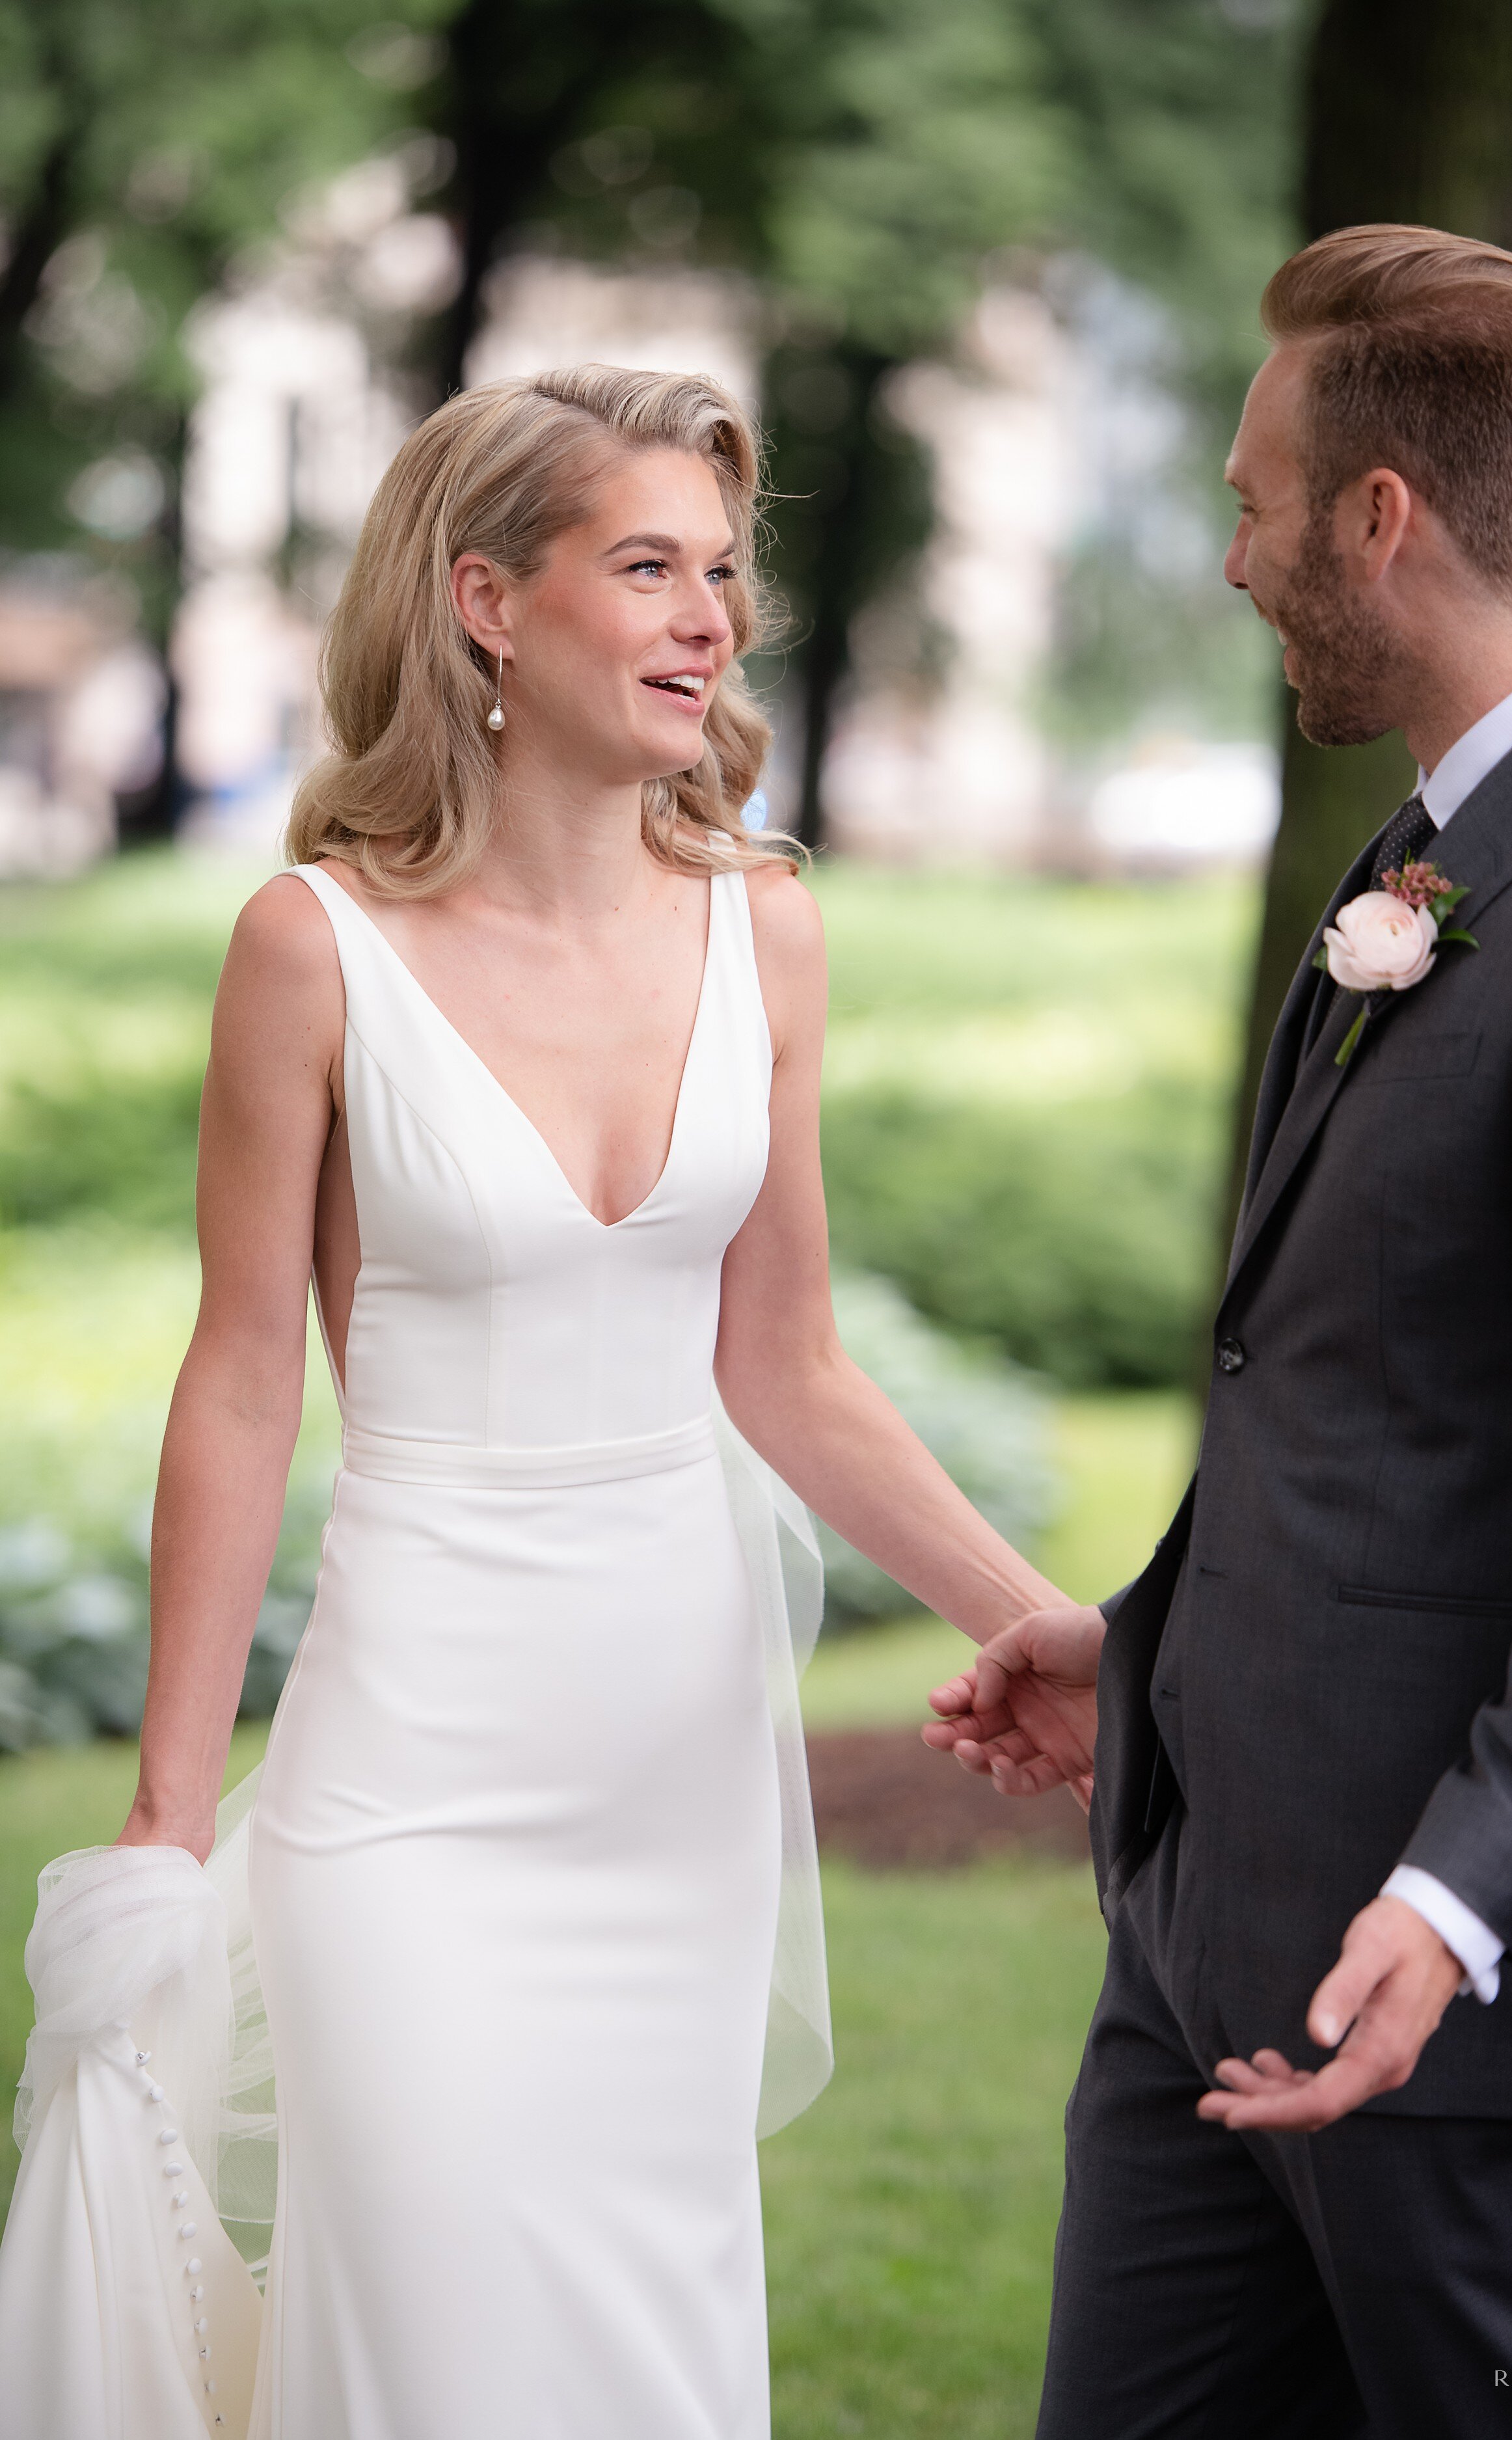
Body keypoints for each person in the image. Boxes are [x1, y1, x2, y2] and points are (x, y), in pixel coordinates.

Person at [0, 365, 1092, 2440]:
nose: (709, 619)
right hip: (410, 1760)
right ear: (489, 602)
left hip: (670, 1767)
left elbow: (786, 1362)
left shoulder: (765, 932)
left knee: (633, 2345)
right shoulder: (308, 949)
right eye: (649, 568)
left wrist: (1033, 1615)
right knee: (425, 2324)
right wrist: (160, 1811)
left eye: (723, 575)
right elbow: (240, 1385)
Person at [926, 226, 1512, 2434]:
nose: (1229, 556)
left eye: (1247, 501)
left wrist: (1457, 1892)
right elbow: (1373, 1394)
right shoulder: (1427, 849)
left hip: (1456, 2019)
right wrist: (1144, 1645)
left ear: (1375, 517)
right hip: (1205, 1951)